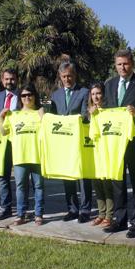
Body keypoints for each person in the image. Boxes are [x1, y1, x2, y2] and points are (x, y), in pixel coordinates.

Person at [103, 49, 135, 238]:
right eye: (119, 64)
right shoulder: (109, 84)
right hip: (114, 140)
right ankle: (120, 218)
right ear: (115, 65)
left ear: (132, 63)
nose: (122, 67)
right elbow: (106, 109)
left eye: (125, 64)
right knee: (117, 180)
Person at [50, 62, 92, 223]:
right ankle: (72, 209)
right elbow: (52, 118)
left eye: (70, 76)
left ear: (75, 76)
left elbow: (84, 115)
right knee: (67, 176)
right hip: (63, 143)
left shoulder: (83, 92)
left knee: (83, 177)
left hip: (79, 141)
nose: (67, 79)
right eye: (64, 76)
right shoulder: (56, 95)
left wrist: (69, 122)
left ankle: (85, 210)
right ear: (60, 77)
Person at [0, 84, 45, 225]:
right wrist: (1, 117)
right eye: (23, 95)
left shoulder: (40, 113)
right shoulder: (14, 115)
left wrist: (43, 116)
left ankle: (39, 214)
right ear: (20, 98)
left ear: (34, 96)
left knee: (39, 187)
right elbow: (4, 132)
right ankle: (21, 214)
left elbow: (47, 131)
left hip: (37, 156)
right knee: (21, 187)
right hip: (20, 157)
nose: (27, 98)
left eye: (29, 94)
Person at [0, 68, 21, 220]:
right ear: (2, 80)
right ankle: (6, 208)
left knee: (21, 177)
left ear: (17, 79)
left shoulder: (24, 95)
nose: (9, 82)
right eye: (7, 79)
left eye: (12, 79)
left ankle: (22, 209)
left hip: (19, 142)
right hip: (2, 142)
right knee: (2, 176)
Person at [87, 83, 113, 228]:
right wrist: (91, 115)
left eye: (98, 93)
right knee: (97, 184)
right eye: (93, 94)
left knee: (107, 184)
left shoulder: (110, 111)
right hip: (93, 151)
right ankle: (101, 213)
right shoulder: (89, 112)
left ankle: (109, 215)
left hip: (107, 151)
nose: (96, 96)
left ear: (103, 94)